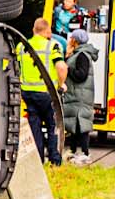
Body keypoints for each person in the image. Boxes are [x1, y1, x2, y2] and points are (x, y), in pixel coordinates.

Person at [18, 14, 64, 166]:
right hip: (47, 94)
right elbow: (61, 67)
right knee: (52, 125)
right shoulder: (53, 45)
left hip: (28, 93)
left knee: (35, 127)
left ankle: (38, 160)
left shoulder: (21, 46)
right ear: (48, 31)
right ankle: (55, 159)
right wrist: (61, 84)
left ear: (34, 30)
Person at [61, 26, 99, 164]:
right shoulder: (77, 53)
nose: (69, 39)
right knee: (75, 126)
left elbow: (81, 75)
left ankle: (84, 153)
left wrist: (68, 69)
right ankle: (74, 152)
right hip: (77, 95)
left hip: (79, 96)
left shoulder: (82, 55)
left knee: (81, 126)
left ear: (75, 40)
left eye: (71, 38)